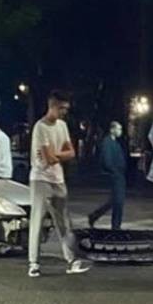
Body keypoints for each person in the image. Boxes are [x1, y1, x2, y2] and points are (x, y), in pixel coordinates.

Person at [27, 90, 91, 278]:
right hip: (40, 179)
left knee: (63, 222)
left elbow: (71, 153)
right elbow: (49, 159)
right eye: (62, 108)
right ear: (53, 106)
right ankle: (34, 263)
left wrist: (56, 155)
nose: (64, 112)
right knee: (37, 220)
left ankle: (71, 260)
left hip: (58, 178)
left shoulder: (62, 126)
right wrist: (57, 156)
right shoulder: (40, 127)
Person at [88, 121, 127, 230]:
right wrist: (114, 171)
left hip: (119, 175)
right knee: (118, 202)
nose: (120, 131)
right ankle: (116, 226)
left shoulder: (115, 143)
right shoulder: (107, 142)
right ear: (112, 130)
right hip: (115, 175)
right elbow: (107, 160)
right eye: (118, 129)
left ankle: (95, 216)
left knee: (115, 201)